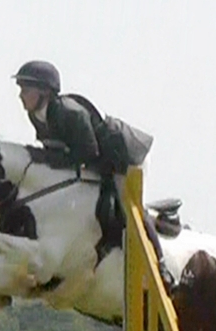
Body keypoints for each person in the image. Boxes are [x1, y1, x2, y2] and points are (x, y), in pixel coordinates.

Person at [13, 60, 155, 259]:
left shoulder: (70, 112)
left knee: (128, 208)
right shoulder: (35, 115)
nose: (20, 95)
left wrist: (53, 160)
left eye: (26, 90)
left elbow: (88, 152)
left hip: (126, 156)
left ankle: (160, 261)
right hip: (99, 160)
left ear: (44, 92)